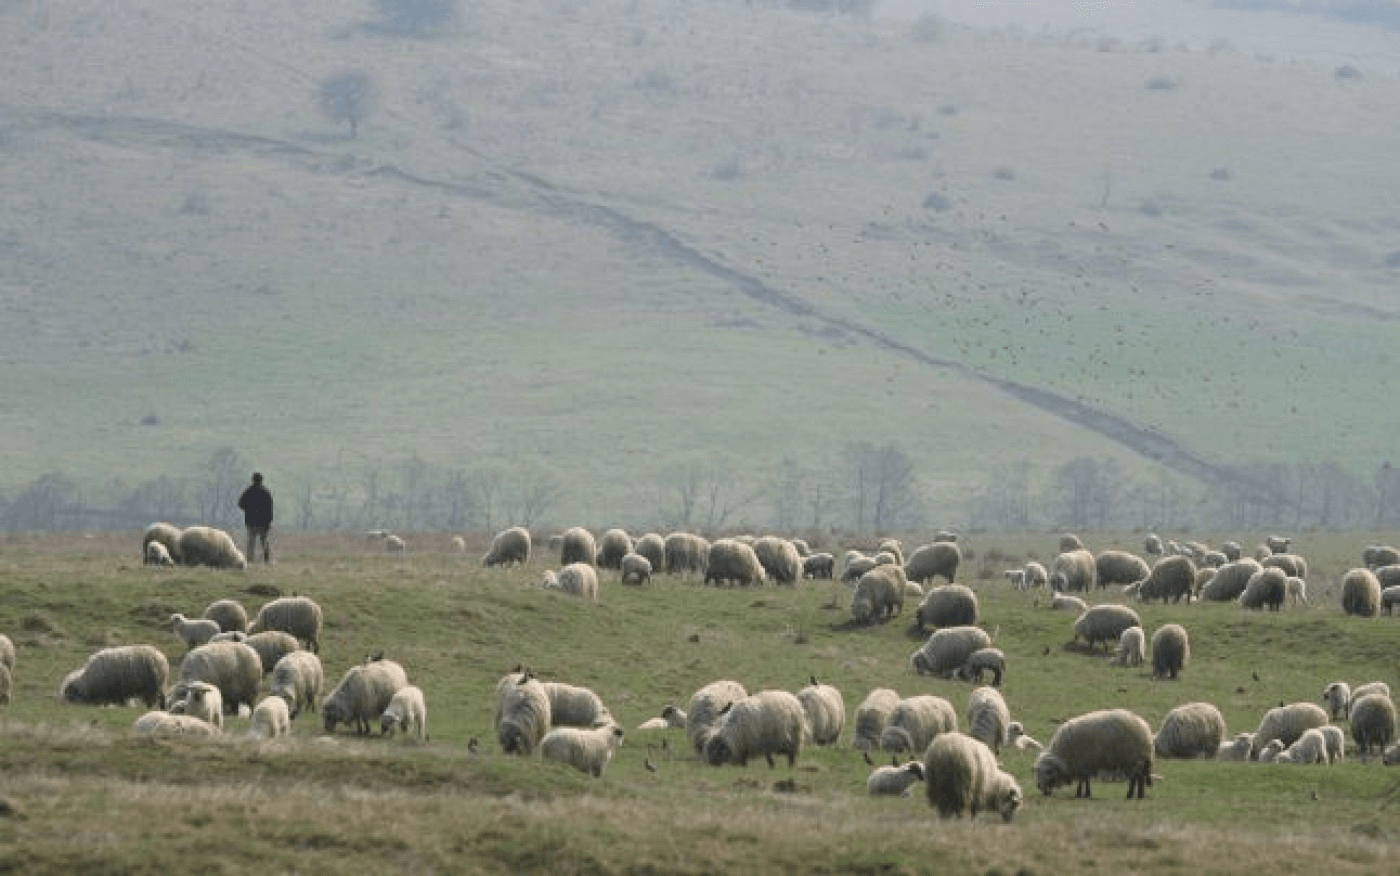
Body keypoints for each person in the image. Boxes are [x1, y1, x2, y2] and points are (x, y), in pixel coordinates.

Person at [238, 472, 274, 564]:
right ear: (262, 480)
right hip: (263, 522)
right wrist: (269, 521)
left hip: (251, 521)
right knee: (264, 541)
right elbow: (270, 508)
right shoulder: (266, 492)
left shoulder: (248, 491)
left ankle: (249, 561)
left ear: (252, 480)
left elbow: (240, 503)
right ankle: (267, 560)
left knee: (251, 542)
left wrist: (247, 510)